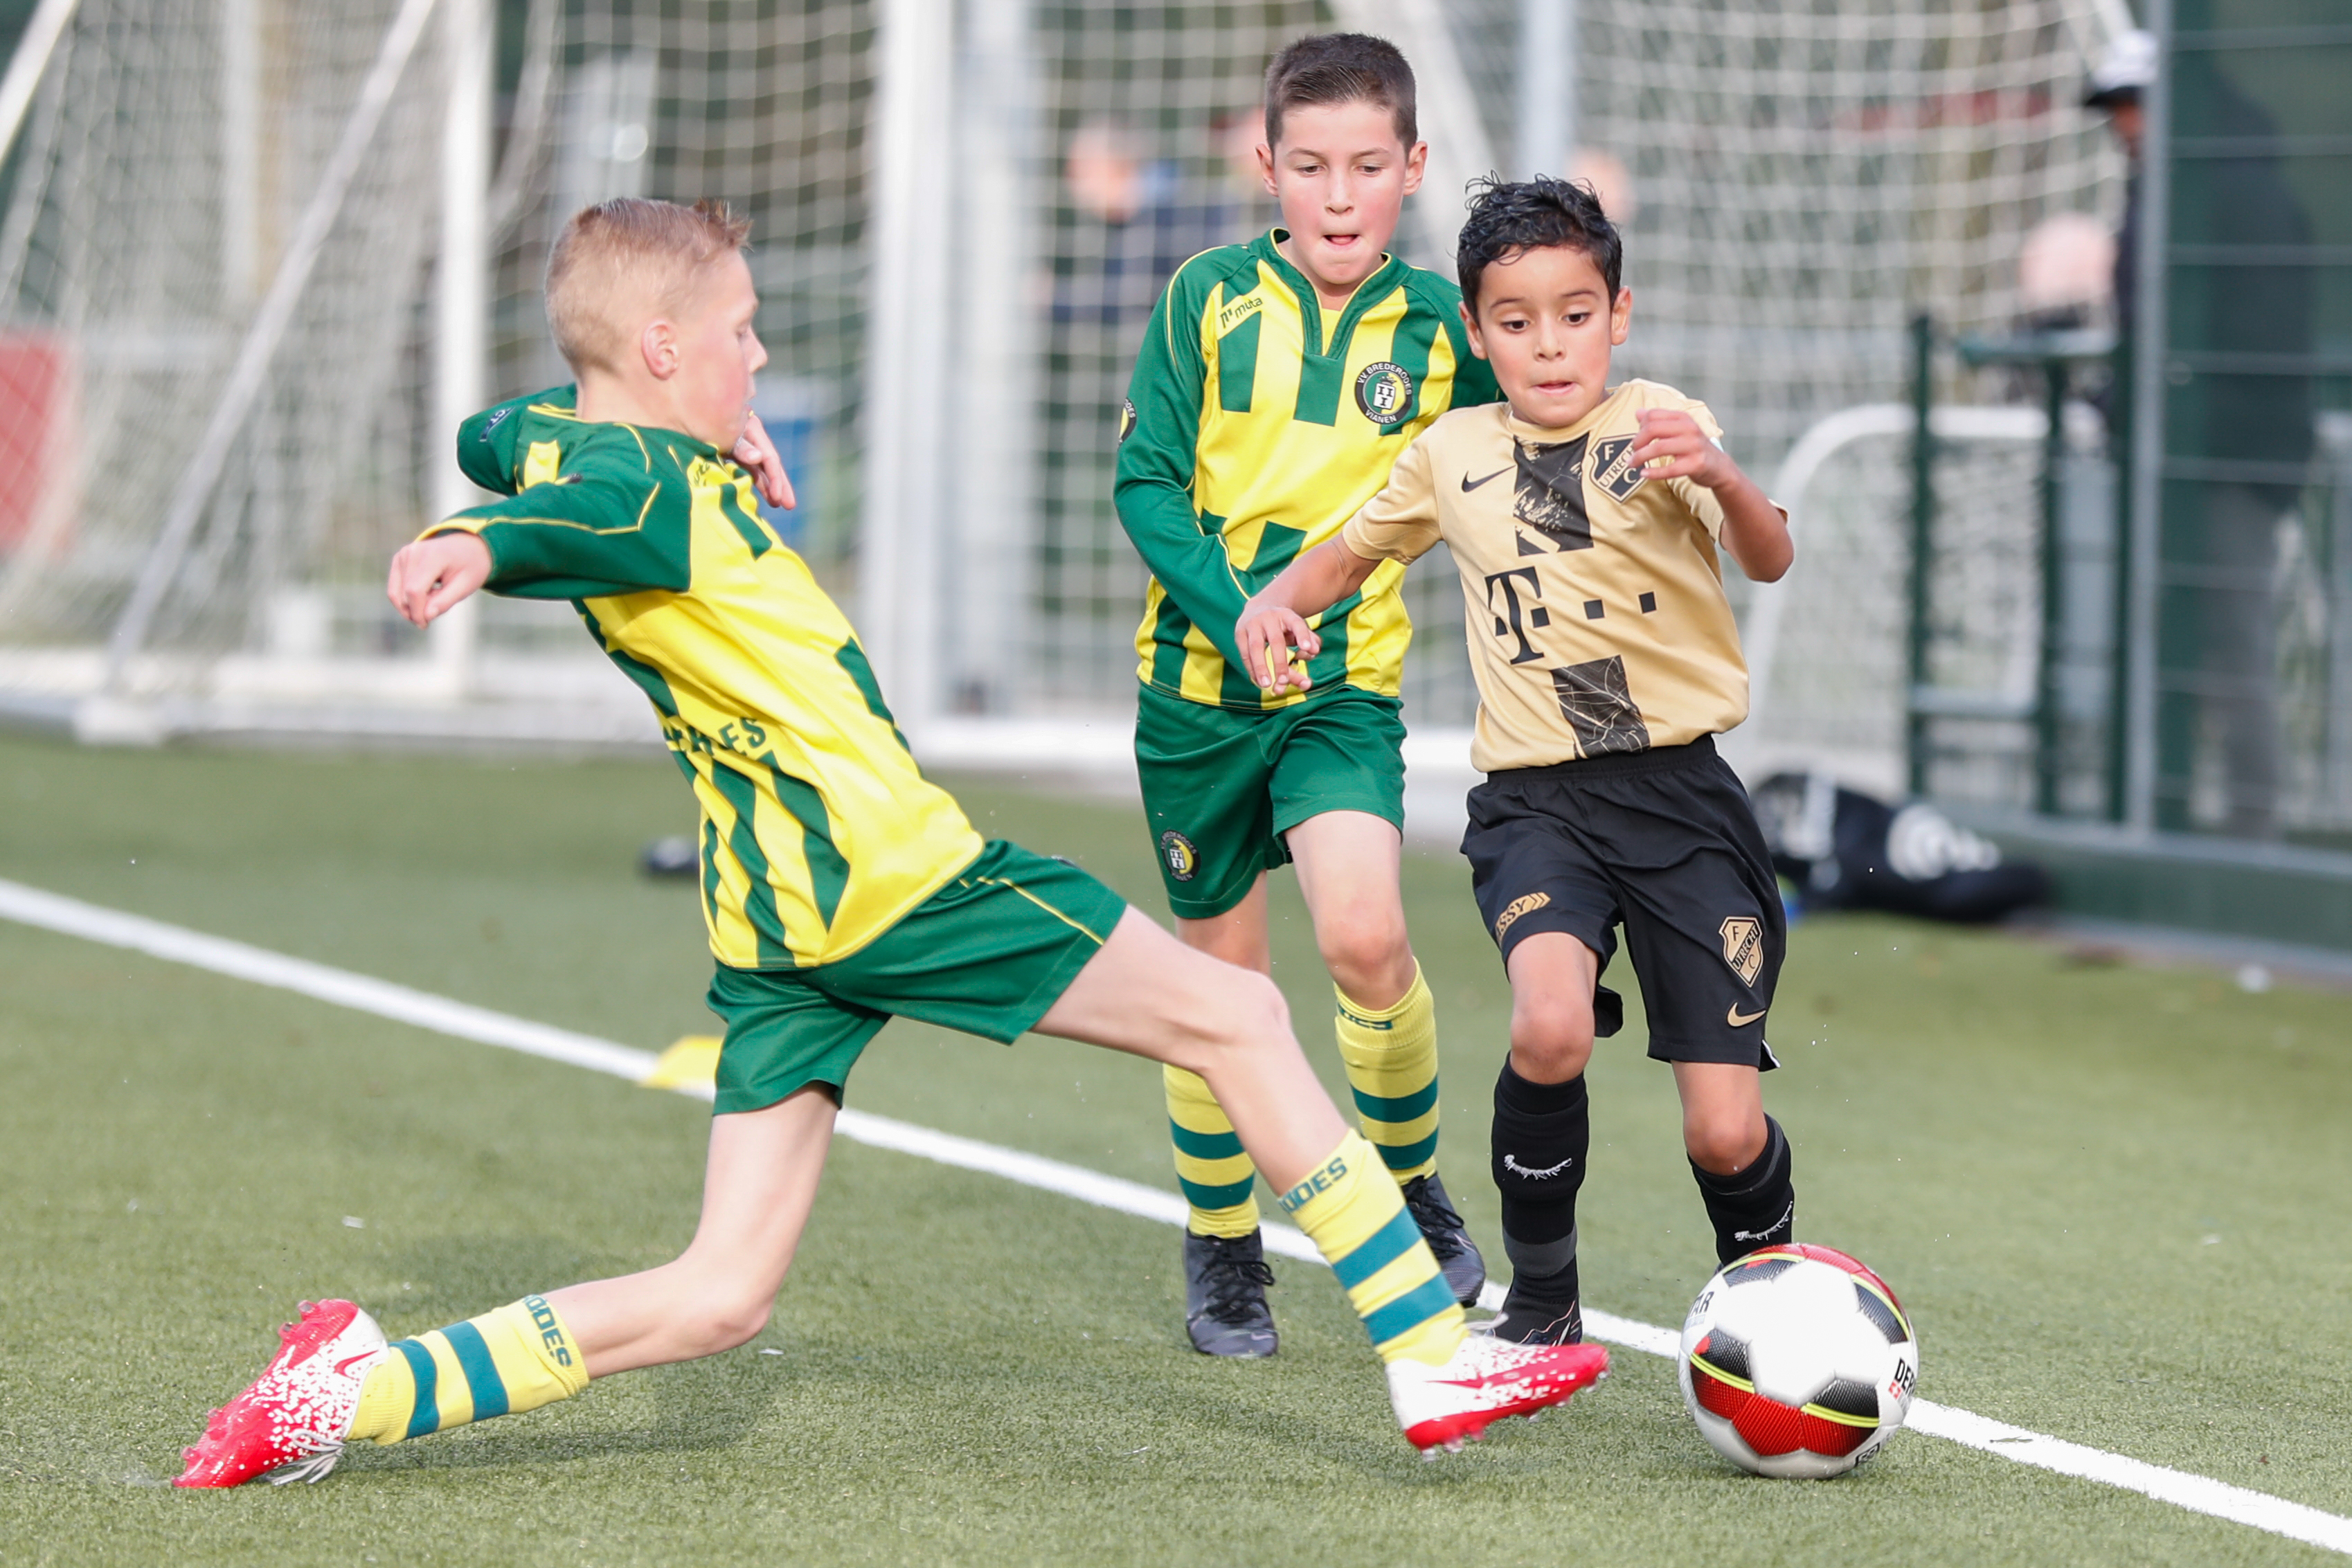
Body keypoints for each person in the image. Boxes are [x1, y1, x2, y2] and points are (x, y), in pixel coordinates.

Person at [170, 197, 1607, 1488]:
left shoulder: (590, 437)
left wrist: (618, 449)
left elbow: (503, 436)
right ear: (662, 349)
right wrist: (476, 546)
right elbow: (559, 516)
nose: (760, 357)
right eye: (739, 333)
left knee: (721, 1295)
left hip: (774, 920)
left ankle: (347, 1390)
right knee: (1237, 1014)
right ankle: (1430, 1348)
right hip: (891, 879)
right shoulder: (639, 490)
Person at [1234, 177, 1799, 1346]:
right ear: (1476, 329)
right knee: (1547, 1026)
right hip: (1538, 805)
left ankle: (1774, 1308)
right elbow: (1348, 556)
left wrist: (1723, 476)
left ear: (1617, 314)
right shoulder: (1450, 452)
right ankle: (1541, 1307)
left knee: (1723, 1133)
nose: (1549, 344)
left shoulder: (1662, 423)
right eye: (1516, 320)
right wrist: (1270, 607)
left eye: (1574, 314)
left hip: (1681, 801)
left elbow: (1770, 556)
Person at [1114, 32, 1501, 1359]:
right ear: (1265, 165)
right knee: (1222, 989)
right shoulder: (1206, 298)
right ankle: (1224, 1246)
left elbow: (1522, 451)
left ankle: (1411, 1185)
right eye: (1312, 167)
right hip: (1194, 696)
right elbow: (1144, 485)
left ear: (1414, 167)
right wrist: (1236, 608)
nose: (1340, 198)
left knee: (1363, 938)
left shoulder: (1444, 328)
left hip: (1342, 687)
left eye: (1368, 167)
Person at [2087, 30, 2314, 836]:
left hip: (2227, 465)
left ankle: (2253, 829)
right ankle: (2167, 815)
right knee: (2175, 643)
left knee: (2228, 645)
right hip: (2184, 460)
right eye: (2116, 109)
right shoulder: (2169, 186)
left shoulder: (2234, 190)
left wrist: (2155, 405)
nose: (2123, 125)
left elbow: (2246, 338)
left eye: (2134, 105)